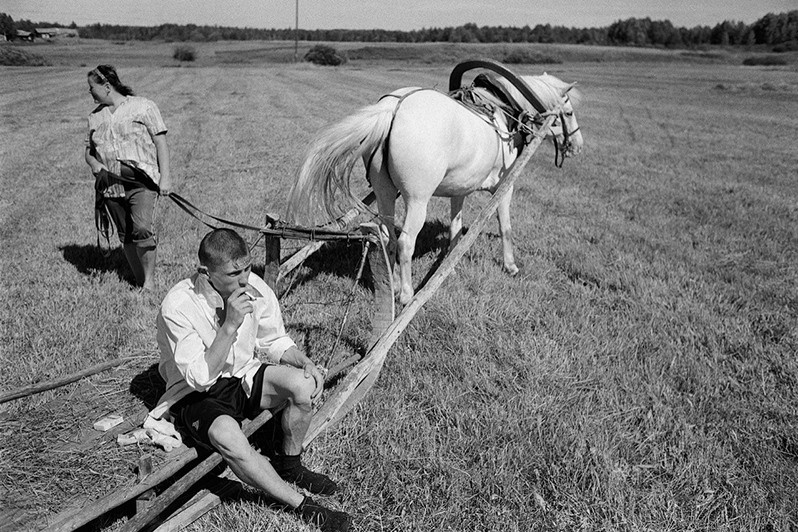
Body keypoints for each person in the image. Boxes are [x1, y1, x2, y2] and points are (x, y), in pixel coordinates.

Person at [149, 228, 351, 532]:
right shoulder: (178, 306)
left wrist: (303, 360)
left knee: (303, 385)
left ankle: (290, 464)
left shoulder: (252, 285)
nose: (244, 279)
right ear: (206, 272)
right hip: (195, 394)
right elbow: (201, 378)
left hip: (243, 375)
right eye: (234, 273)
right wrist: (229, 326)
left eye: (247, 267)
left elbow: (274, 340)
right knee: (231, 440)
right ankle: (301, 505)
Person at [84, 64, 171, 291]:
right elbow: (89, 150)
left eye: (91, 87)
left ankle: (149, 282)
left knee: (141, 228)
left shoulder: (143, 106)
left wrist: (166, 178)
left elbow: (160, 142)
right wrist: (94, 163)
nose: (90, 92)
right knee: (126, 235)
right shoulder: (94, 117)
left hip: (142, 183)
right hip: (110, 186)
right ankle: (139, 279)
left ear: (106, 85)